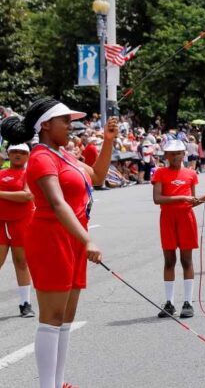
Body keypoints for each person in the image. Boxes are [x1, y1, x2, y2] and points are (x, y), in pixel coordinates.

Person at [0, 98, 117, 388]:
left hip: (73, 236)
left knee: (66, 318)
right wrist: (87, 239)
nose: (71, 125)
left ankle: (59, 382)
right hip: (52, 238)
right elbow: (56, 202)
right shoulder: (41, 157)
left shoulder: (64, 154)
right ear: (47, 125)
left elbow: (99, 176)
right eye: (65, 120)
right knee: (51, 317)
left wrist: (109, 142)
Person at [152, 140, 205, 318]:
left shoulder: (190, 174)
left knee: (186, 260)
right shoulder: (160, 172)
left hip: (186, 219)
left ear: (184, 154)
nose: (176, 156)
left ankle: (188, 302)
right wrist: (182, 197)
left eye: (179, 153)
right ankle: (169, 303)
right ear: (166, 156)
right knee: (169, 260)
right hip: (167, 219)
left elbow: (194, 201)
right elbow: (157, 199)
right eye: (172, 153)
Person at [0, 143, 35, 317]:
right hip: (1, 224)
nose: (18, 155)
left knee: (21, 262)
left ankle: (25, 303)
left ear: (28, 156)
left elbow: (27, 195)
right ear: (8, 154)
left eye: (22, 152)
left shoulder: (29, 174)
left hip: (22, 223)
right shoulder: (1, 173)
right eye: (14, 152)